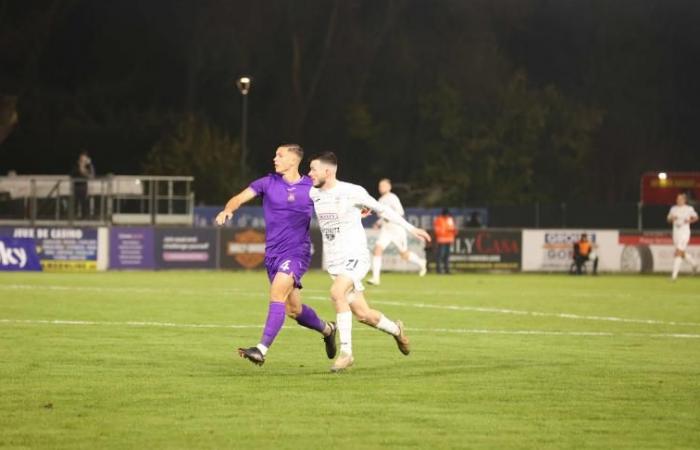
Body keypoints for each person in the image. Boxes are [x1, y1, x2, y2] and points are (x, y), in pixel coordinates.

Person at [307, 152, 431, 372]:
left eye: (313, 169)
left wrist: (412, 229)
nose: (310, 173)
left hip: (355, 256)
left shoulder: (352, 191)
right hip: (335, 262)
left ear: (328, 171)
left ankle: (347, 354)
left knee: (336, 293)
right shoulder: (313, 193)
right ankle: (397, 331)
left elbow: (383, 210)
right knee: (363, 314)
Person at [215, 144, 337, 366]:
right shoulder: (267, 182)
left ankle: (261, 349)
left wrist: (358, 210)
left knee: (277, 292)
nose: (274, 158)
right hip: (272, 255)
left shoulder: (311, 186)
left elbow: (337, 198)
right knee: (294, 310)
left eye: (280, 155)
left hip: (297, 252)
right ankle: (328, 329)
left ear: (293, 160)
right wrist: (228, 210)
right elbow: (240, 198)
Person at [367, 178, 427, 286]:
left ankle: (421, 262)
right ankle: (376, 278)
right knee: (377, 249)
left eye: (383, 185)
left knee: (404, 255)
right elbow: (383, 215)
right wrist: (378, 223)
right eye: (380, 186)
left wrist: (390, 219)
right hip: (386, 229)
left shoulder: (393, 197)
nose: (381, 188)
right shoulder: (380, 200)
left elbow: (399, 212)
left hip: (396, 229)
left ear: (389, 187)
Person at [667, 192, 698, 280]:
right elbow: (668, 218)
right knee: (680, 252)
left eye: (680, 199)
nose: (678, 200)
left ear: (684, 200)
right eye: (677, 199)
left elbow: (696, 217)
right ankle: (695, 264)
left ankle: (674, 276)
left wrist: (689, 221)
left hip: (684, 233)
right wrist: (672, 218)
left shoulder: (689, 208)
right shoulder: (673, 208)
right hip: (675, 233)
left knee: (678, 252)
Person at [72, 150, 95, 219]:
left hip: (84, 187)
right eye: (82, 159)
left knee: (84, 203)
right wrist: (81, 167)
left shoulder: (87, 167)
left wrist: (90, 164)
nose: (83, 161)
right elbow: (74, 174)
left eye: (84, 159)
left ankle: (84, 217)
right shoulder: (76, 166)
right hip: (76, 187)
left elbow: (92, 176)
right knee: (75, 204)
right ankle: (74, 217)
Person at [433, 208, 456, 274]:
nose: (447, 215)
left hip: (449, 239)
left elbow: (452, 228)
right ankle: (439, 270)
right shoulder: (439, 219)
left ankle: (447, 270)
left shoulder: (449, 219)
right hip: (441, 240)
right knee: (440, 255)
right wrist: (447, 230)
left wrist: (452, 231)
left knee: (447, 256)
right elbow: (438, 230)